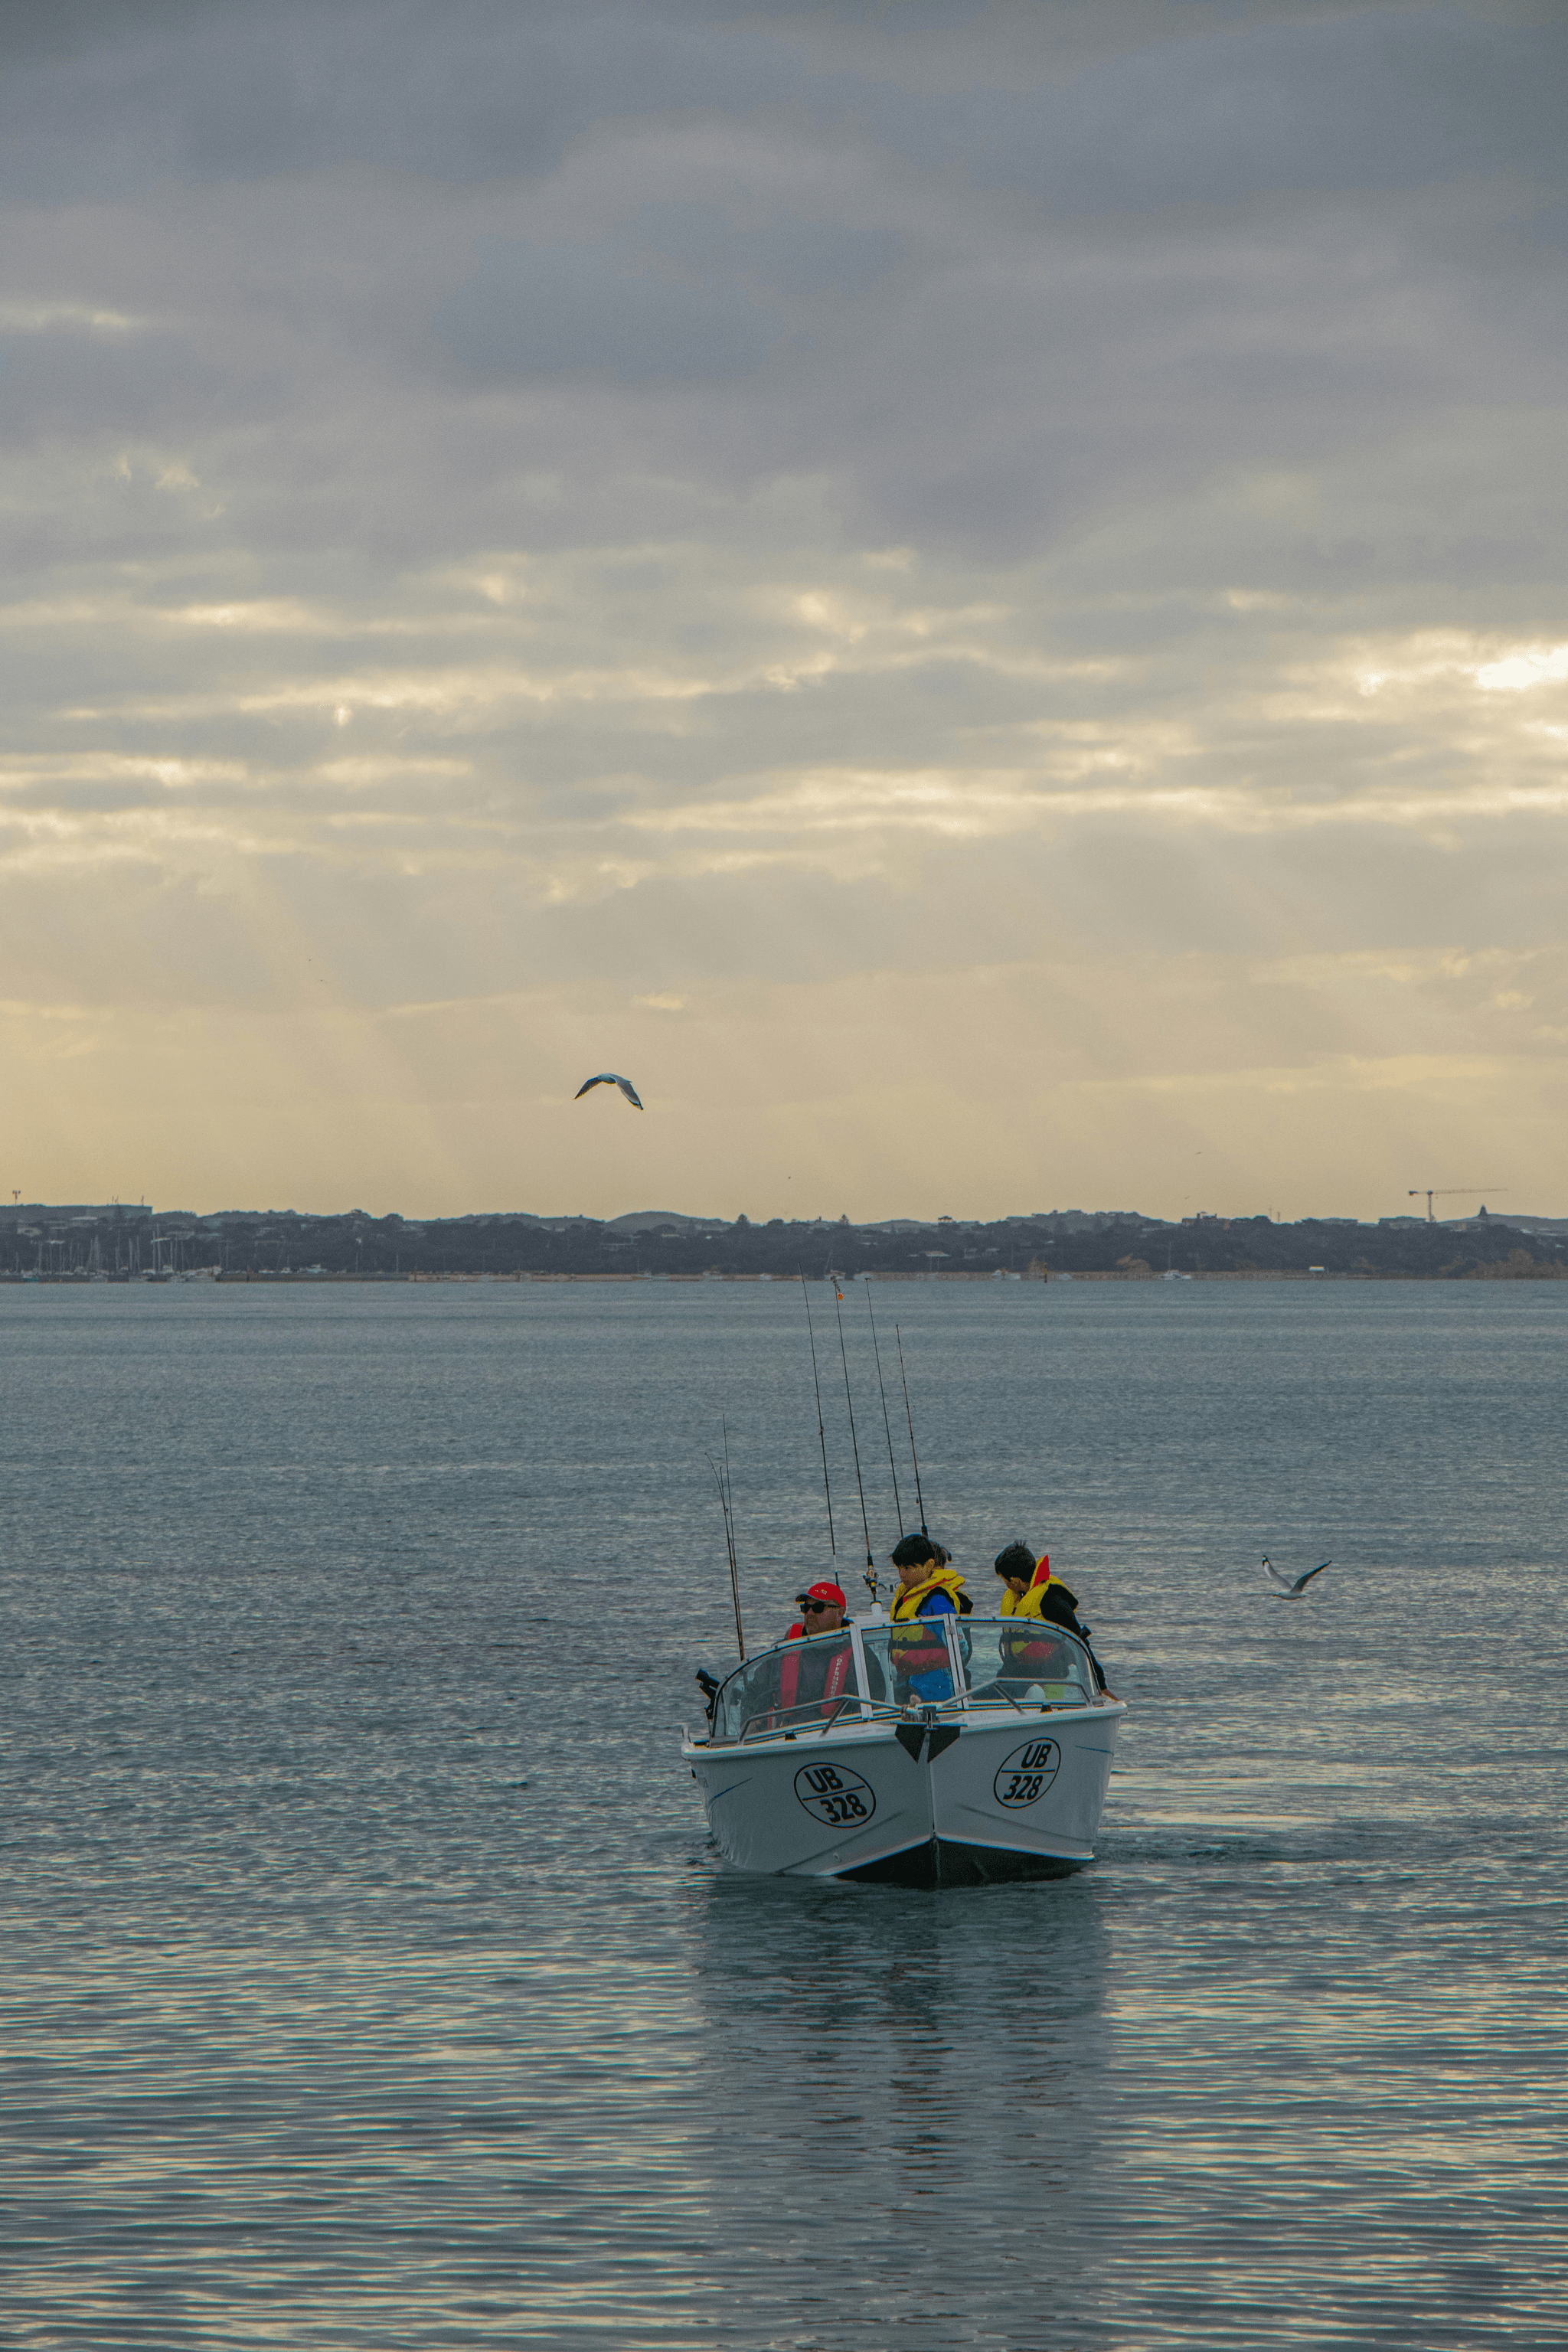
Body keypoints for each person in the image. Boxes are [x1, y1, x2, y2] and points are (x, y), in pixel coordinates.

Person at [992, 1542, 1114, 1697]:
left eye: (1005, 1580)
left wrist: (1100, 1684)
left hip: (1050, 1678)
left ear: (1014, 1580)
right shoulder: (1017, 1598)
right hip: (1015, 1674)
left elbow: (1079, 1640)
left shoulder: (1051, 1597)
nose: (1006, 1585)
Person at [887, 1534, 968, 1703]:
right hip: (909, 1681)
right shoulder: (905, 1598)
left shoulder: (937, 1600)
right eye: (899, 1568)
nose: (902, 1574)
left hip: (937, 1683)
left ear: (929, 1565)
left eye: (908, 1568)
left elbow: (960, 1647)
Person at [779, 1580, 854, 1717]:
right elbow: (756, 1691)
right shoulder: (787, 1648)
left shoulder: (857, 1654)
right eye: (806, 1607)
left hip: (833, 1732)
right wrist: (749, 1724)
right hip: (787, 1732)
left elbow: (871, 1704)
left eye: (818, 1607)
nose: (810, 1613)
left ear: (840, 1613)